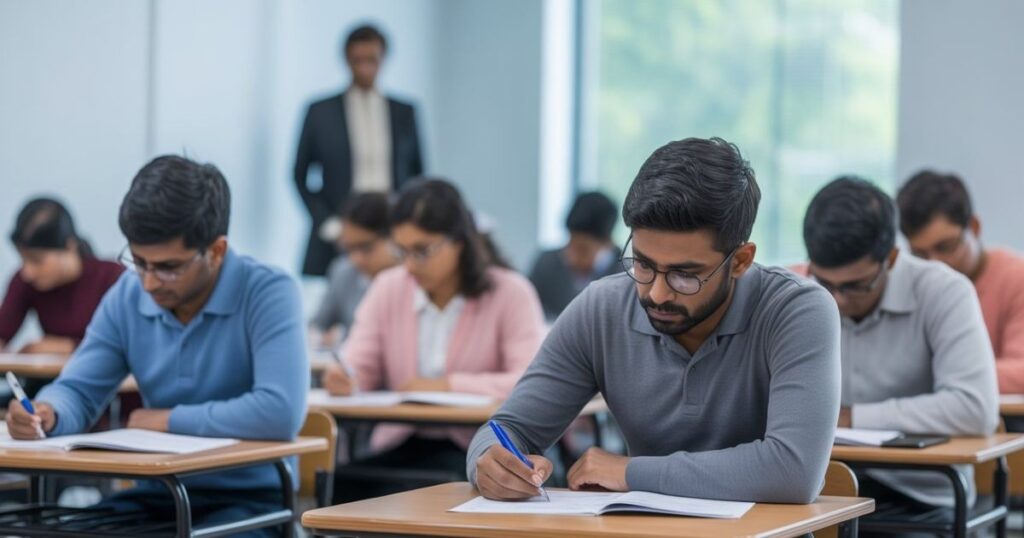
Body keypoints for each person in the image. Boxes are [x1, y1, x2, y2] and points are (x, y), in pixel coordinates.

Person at [467, 137, 841, 504]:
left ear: (740, 260)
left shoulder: (798, 311)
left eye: (685, 275)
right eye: (643, 264)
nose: (658, 293)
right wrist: (490, 463)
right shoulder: (602, 308)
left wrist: (630, 472)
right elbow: (508, 430)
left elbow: (793, 471)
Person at [6, 156, 309, 537]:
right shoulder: (126, 296)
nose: (149, 283)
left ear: (216, 251)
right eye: (138, 261)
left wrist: (168, 419)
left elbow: (279, 410)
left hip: (251, 501)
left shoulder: (268, 292)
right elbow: (79, 389)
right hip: (159, 492)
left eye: (168, 267)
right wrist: (49, 412)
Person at [321, 178, 545, 502]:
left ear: (459, 242)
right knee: (337, 487)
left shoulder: (510, 292)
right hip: (401, 442)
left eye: (422, 250)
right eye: (401, 250)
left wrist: (446, 385)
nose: (410, 264)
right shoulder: (389, 287)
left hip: (478, 449)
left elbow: (531, 383)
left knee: (419, 492)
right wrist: (345, 377)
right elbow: (359, 362)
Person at [802, 176, 998, 509]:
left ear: (891, 258)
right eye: (825, 282)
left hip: (920, 491)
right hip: (822, 488)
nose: (838, 299)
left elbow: (974, 408)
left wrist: (852, 417)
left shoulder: (945, 291)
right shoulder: (802, 294)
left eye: (855, 285)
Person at [294, 23, 424, 277]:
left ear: (383, 59)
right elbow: (299, 175)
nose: (365, 67)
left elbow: (418, 173)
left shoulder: (404, 112)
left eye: (372, 59)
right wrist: (328, 224)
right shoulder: (320, 112)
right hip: (340, 229)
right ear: (346, 60)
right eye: (358, 60)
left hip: (392, 228)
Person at [897, 171, 1024, 394]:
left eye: (945, 247)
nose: (935, 263)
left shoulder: (1016, 277)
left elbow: (1020, 373)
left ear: (973, 227)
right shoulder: (909, 282)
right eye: (920, 254)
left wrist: (941, 376)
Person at [0, 198, 122, 354]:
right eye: (23, 259)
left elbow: (128, 344)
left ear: (70, 246)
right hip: (46, 378)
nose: (28, 271)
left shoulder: (112, 277)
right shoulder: (25, 281)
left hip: (104, 377)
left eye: (36, 260)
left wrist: (68, 347)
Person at [310, 192, 398, 346]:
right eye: (348, 248)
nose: (355, 259)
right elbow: (315, 326)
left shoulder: (414, 277)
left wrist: (340, 336)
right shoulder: (343, 272)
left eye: (365, 247)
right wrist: (320, 337)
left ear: (394, 238)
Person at [529, 191, 622, 320]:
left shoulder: (625, 274)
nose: (571, 257)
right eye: (570, 242)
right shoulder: (547, 263)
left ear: (607, 243)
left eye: (583, 249)